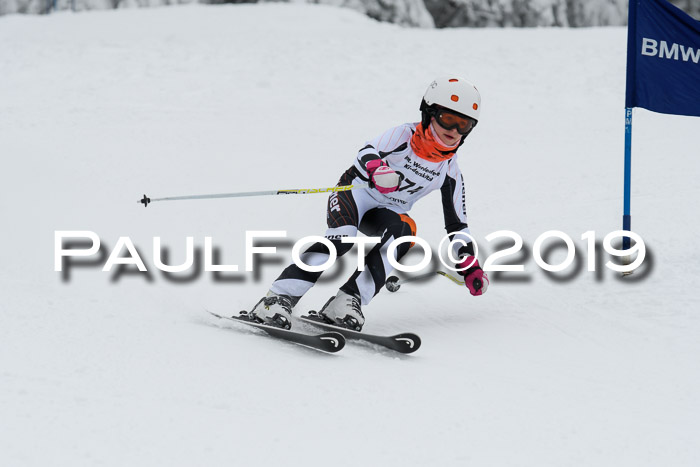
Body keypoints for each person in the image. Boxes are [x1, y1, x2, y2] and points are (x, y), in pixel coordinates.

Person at [247, 76, 489, 331]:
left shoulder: (449, 170)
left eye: (464, 124)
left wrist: (470, 264)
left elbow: (457, 226)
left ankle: (347, 301)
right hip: (354, 194)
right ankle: (276, 298)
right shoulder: (405, 135)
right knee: (341, 240)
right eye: (447, 119)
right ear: (429, 113)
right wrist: (377, 170)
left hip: (387, 212)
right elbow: (366, 152)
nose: (454, 130)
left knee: (404, 234)